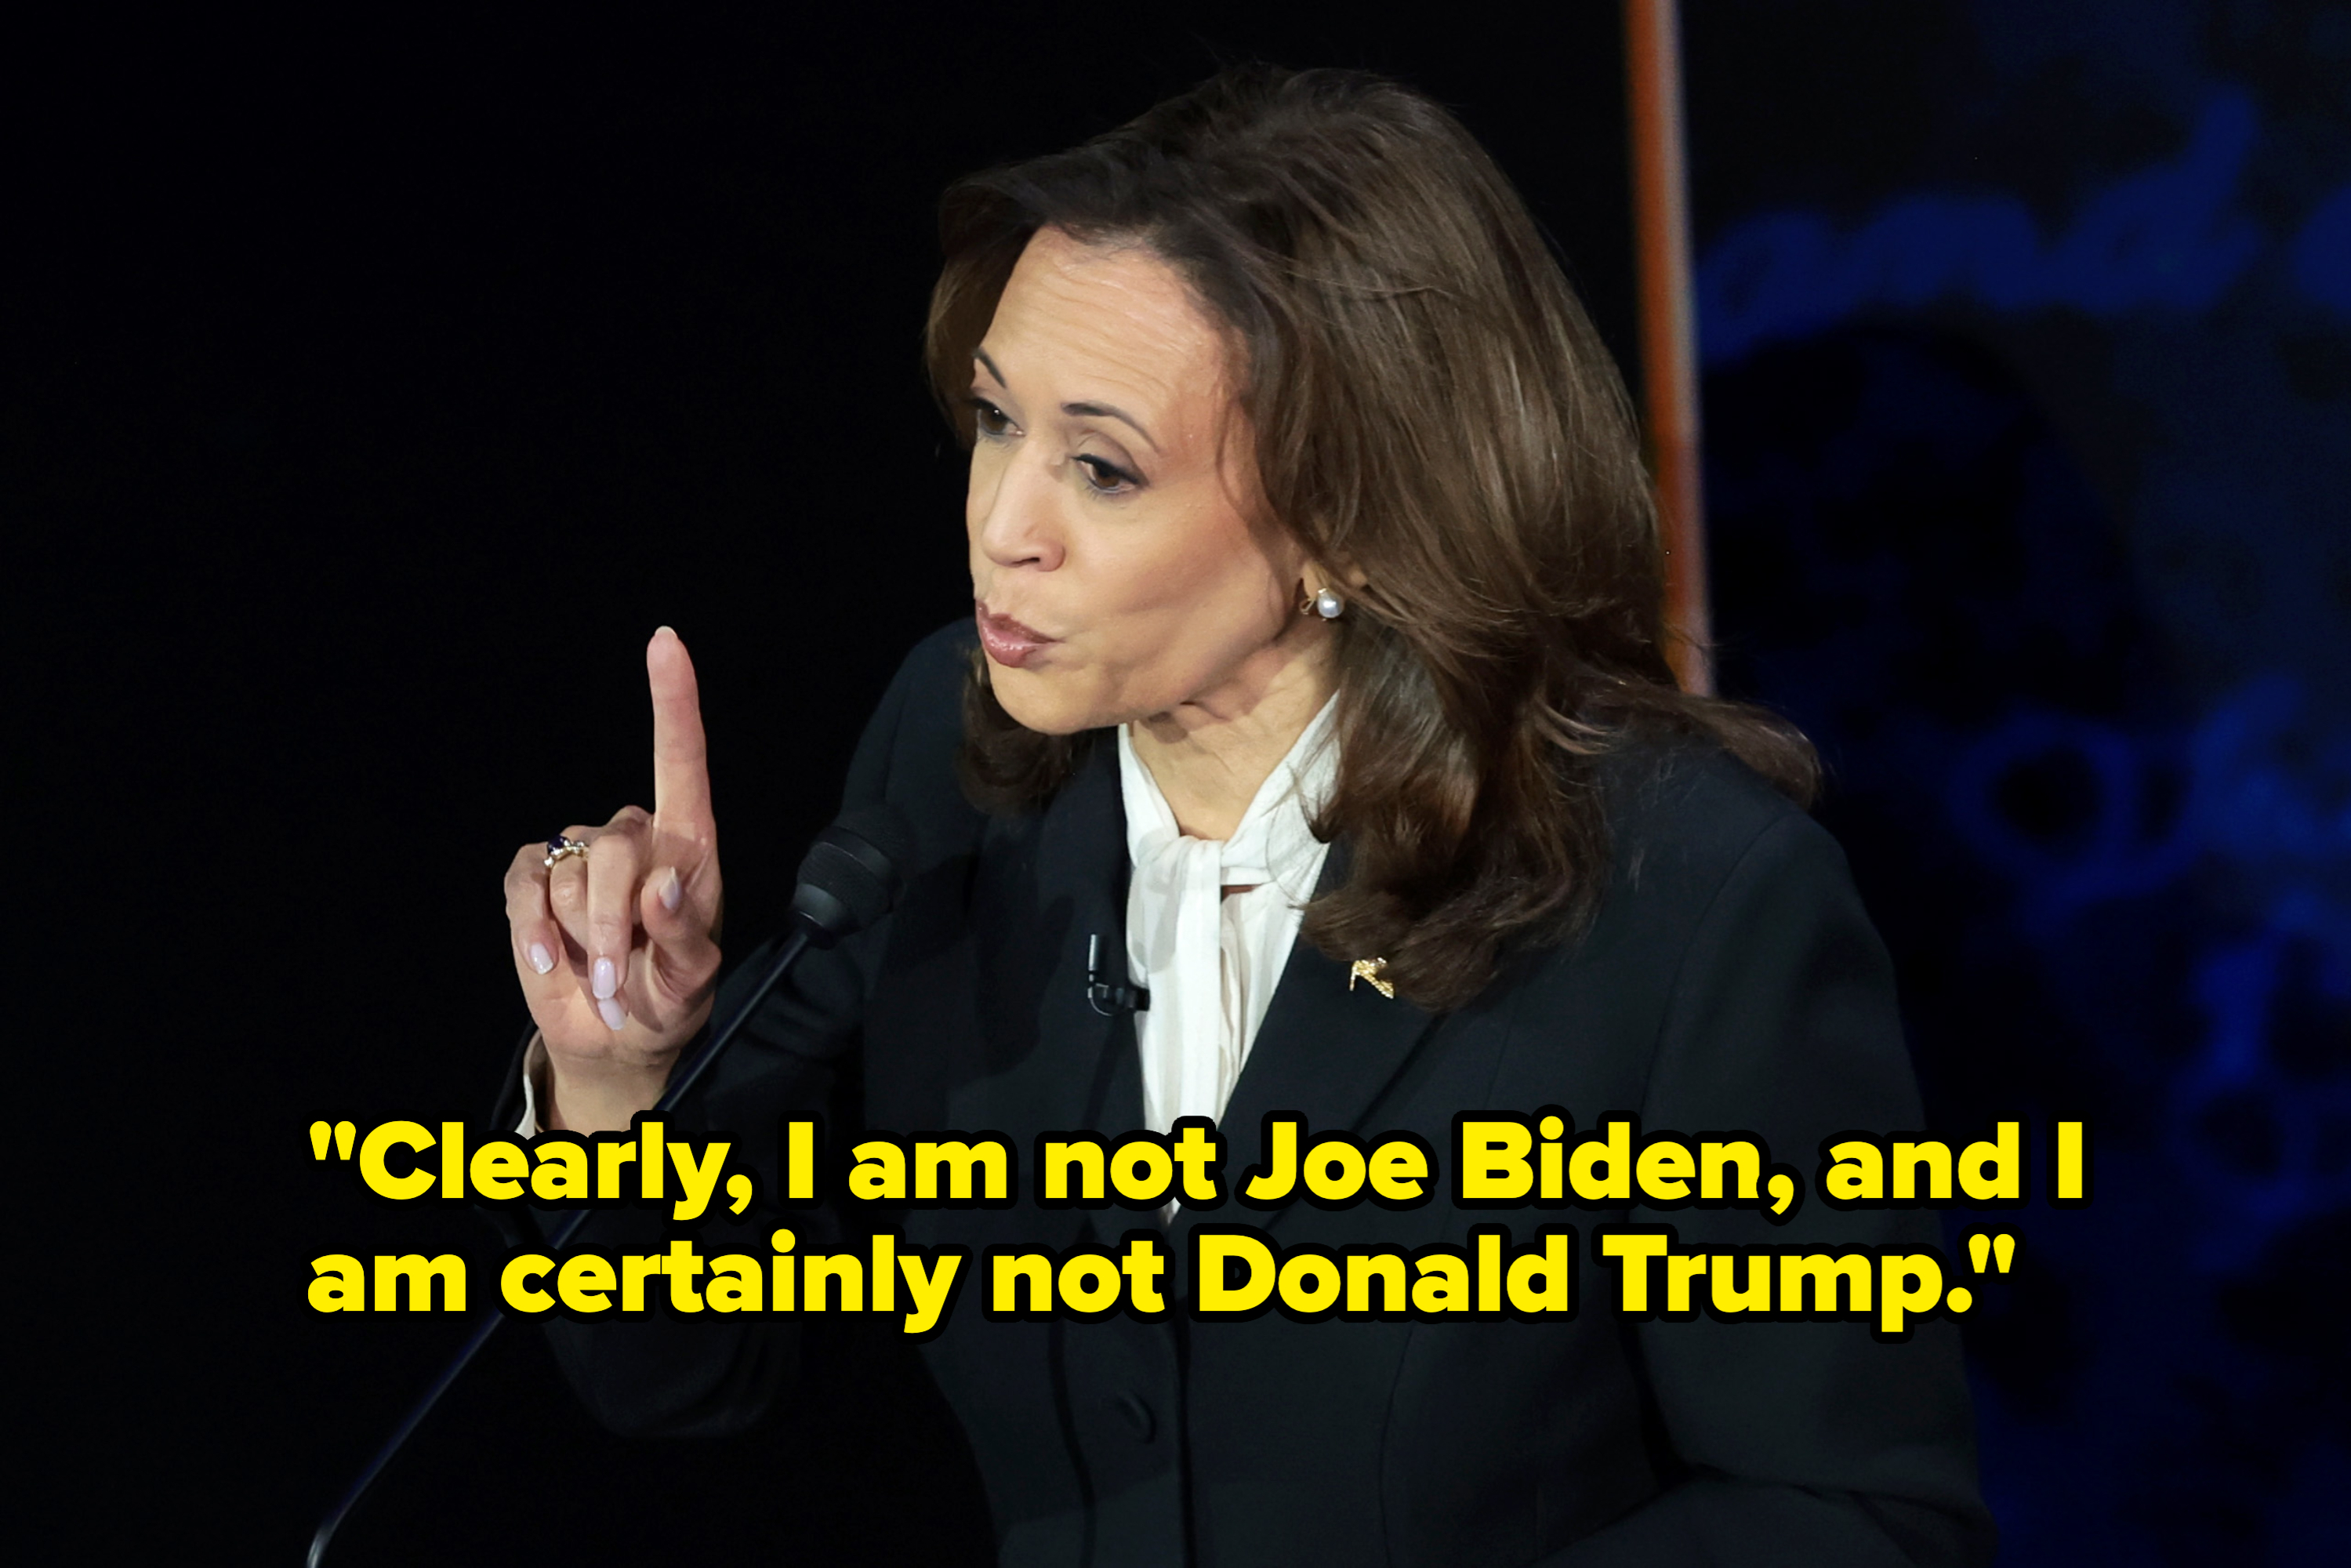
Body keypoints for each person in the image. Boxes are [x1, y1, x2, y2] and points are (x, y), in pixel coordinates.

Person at [494, 64, 1994, 1566]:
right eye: (996, 422)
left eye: (1102, 467)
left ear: (1349, 517)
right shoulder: (952, 766)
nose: (1001, 525)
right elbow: (685, 1368)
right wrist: (615, 1086)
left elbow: (1860, 1519)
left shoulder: (1686, 893)